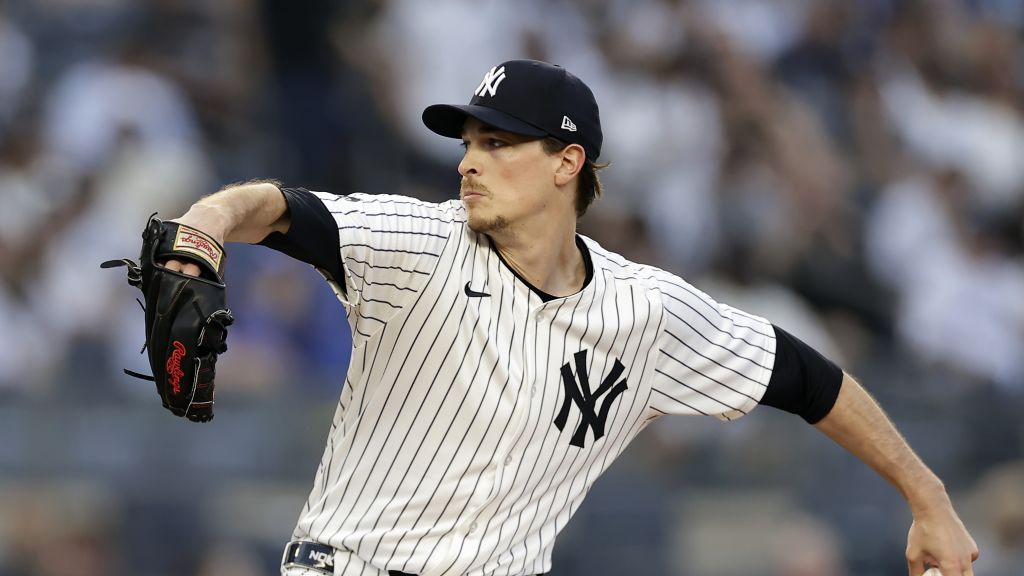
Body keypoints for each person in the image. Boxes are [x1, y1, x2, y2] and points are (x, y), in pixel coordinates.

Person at [164, 60, 978, 576]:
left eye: (497, 143)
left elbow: (807, 378)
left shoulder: (645, 312)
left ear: (568, 162)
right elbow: (273, 208)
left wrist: (927, 495)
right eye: (468, 142)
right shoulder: (417, 240)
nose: (468, 161)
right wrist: (201, 234)